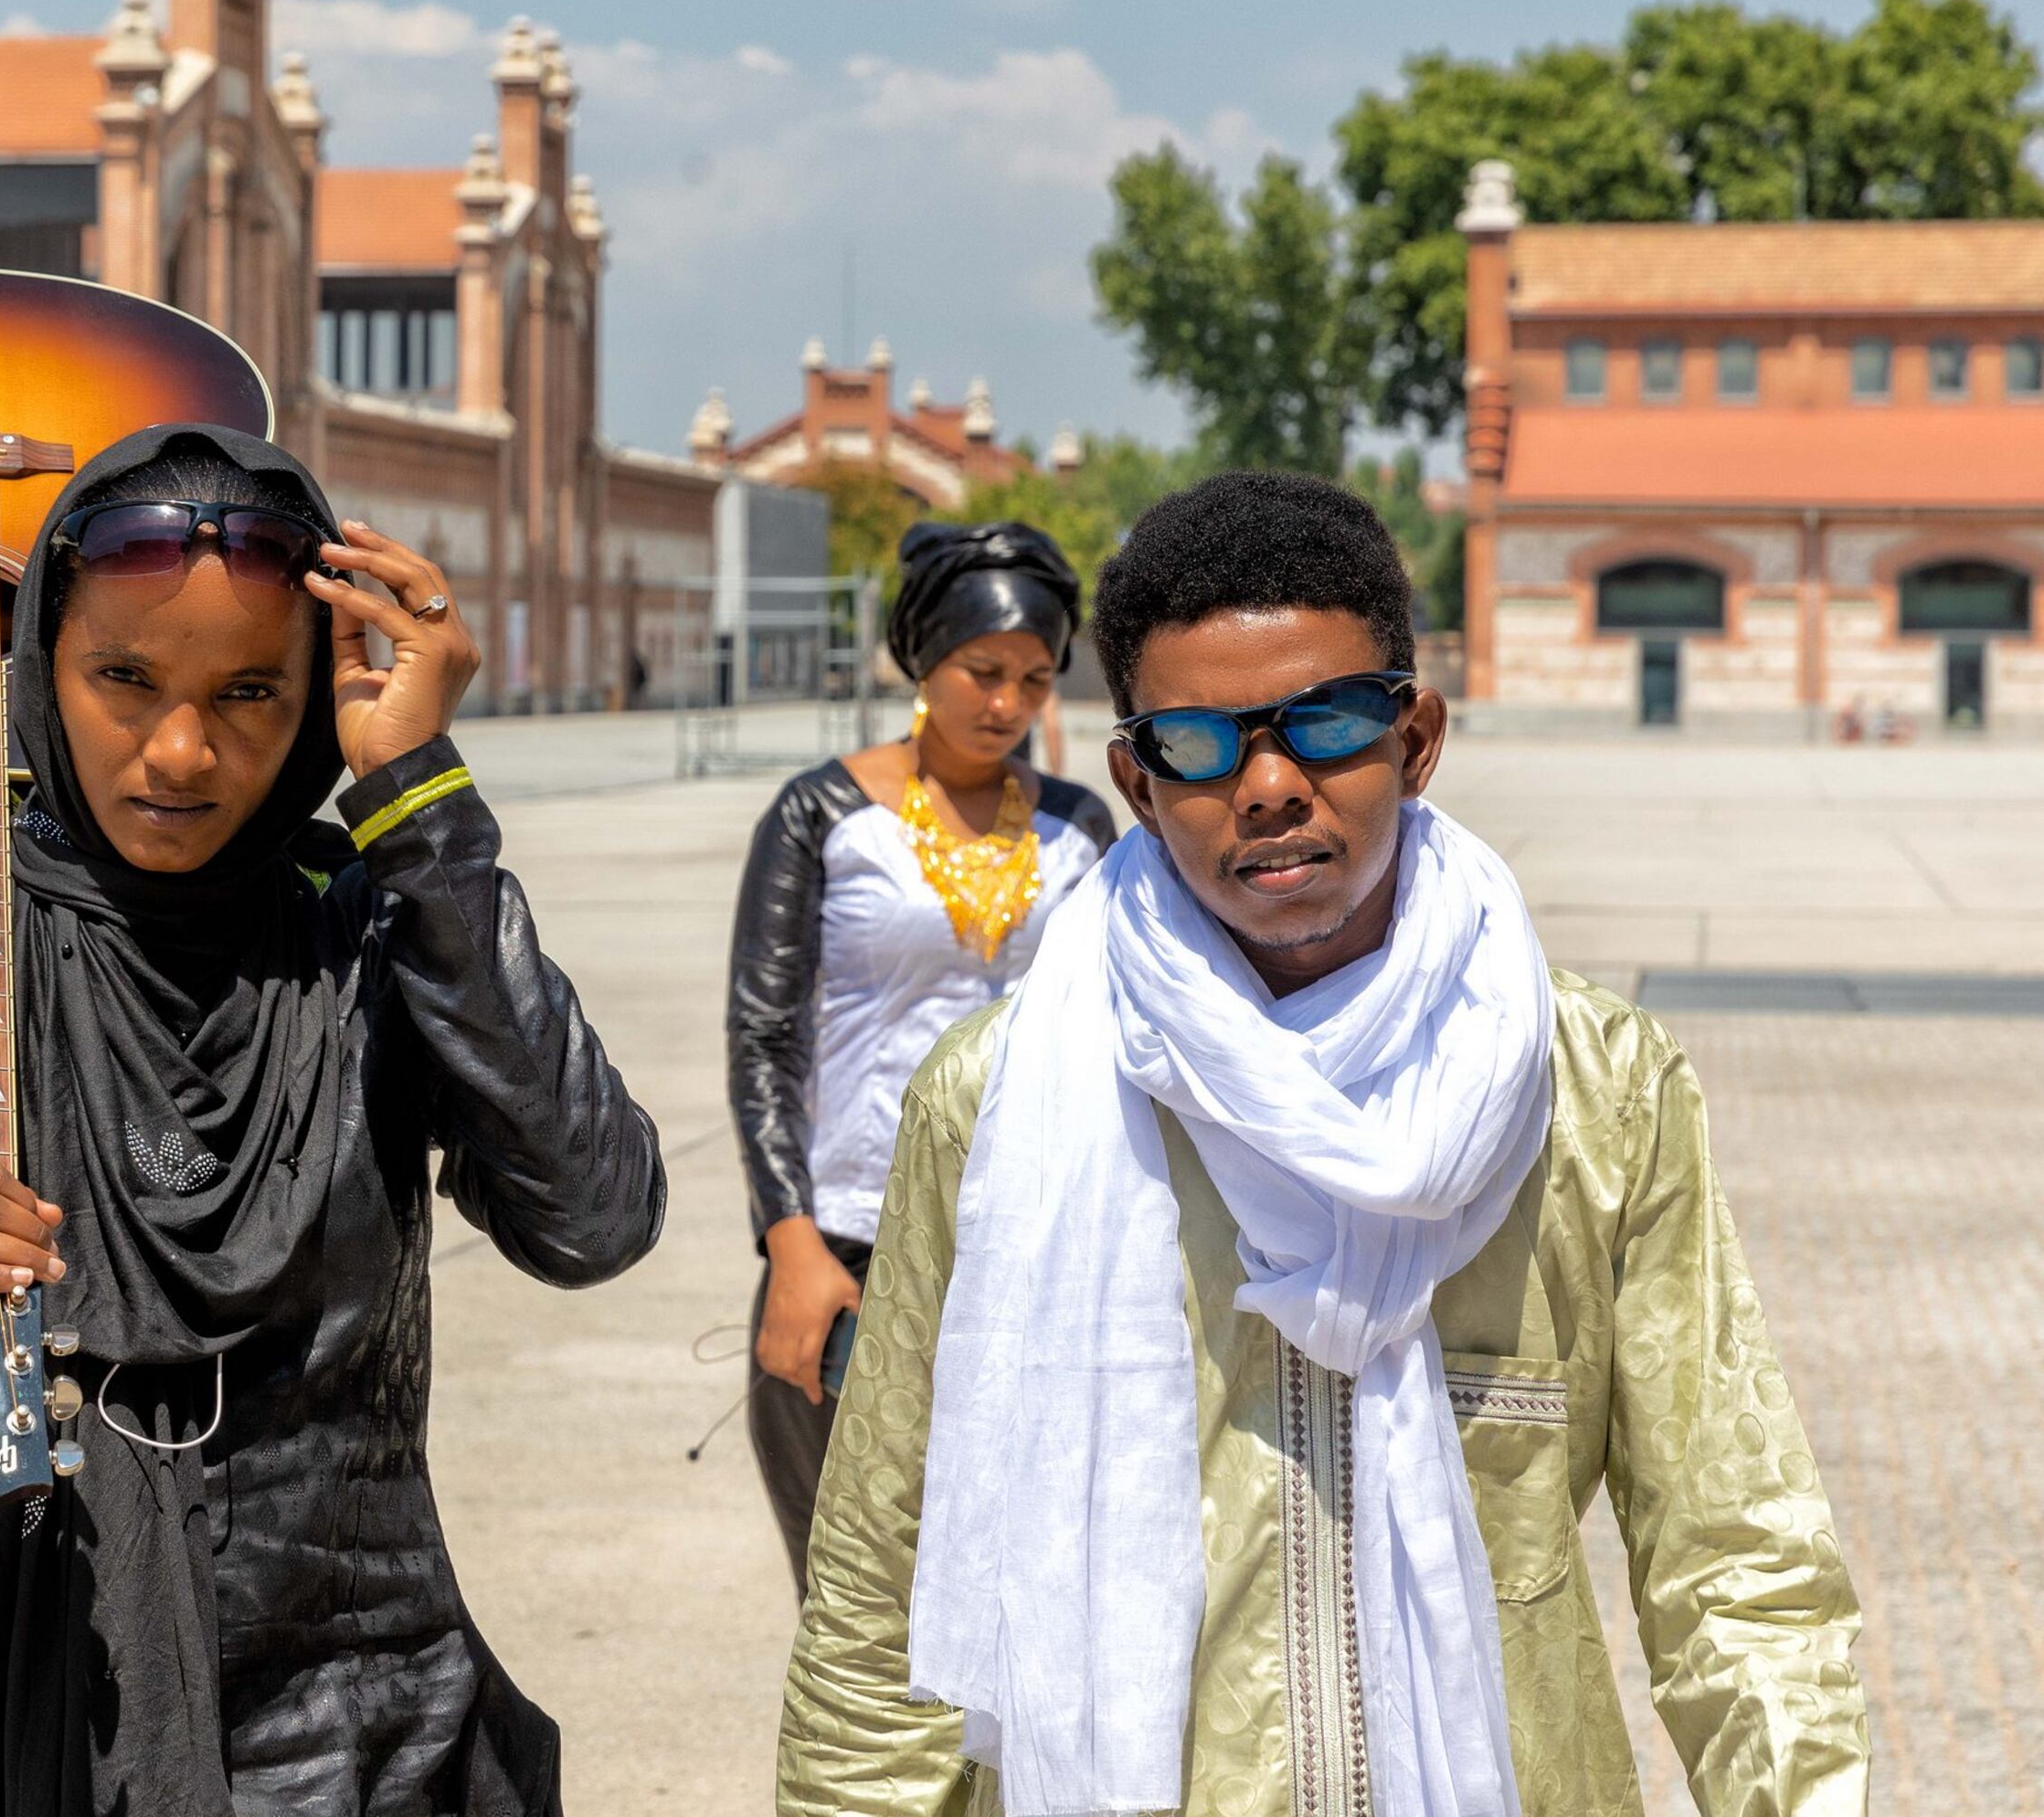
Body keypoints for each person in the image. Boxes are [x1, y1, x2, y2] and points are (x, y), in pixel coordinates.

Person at [776, 471, 1867, 1815]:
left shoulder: (1592, 1089)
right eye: (1201, 743)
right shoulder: (1001, 1101)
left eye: (1329, 723)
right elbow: (885, 1591)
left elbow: (1733, 1558)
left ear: (1415, 740)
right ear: (1134, 776)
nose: (1272, 786)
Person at [0, 424, 664, 1816]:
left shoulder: (375, 940)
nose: (183, 751)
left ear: (322, 696)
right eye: (124, 679)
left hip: (352, 1736)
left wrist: (419, 802)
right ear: (40, 666)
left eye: (252, 693)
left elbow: (596, 1216)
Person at [724, 522, 1114, 1594]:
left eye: (1034, 680)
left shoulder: (1083, 829)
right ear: (922, 660)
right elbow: (764, 1036)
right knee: (854, 1602)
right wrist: (791, 1243)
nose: (1007, 704)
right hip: (849, 1239)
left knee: (1012, 1597)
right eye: (982, 672)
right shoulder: (824, 816)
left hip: (1030, 1245)